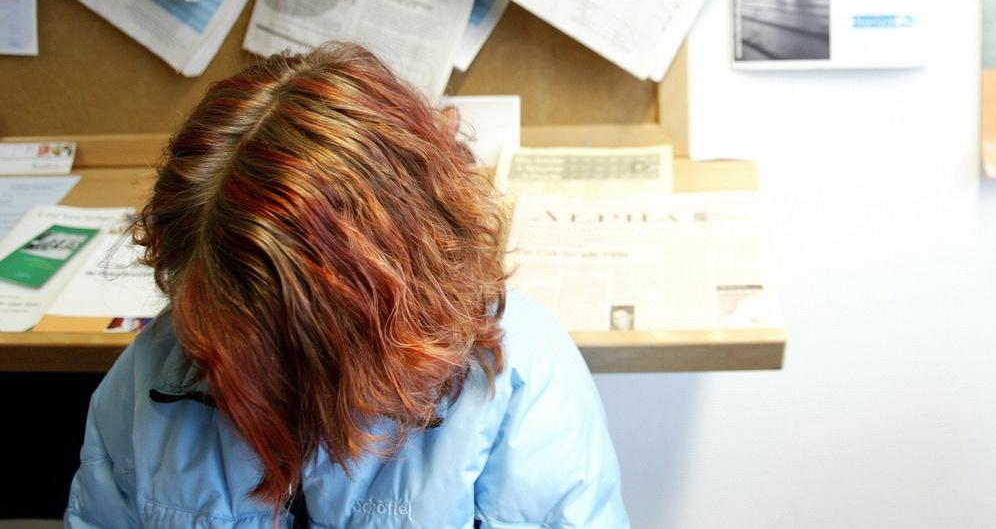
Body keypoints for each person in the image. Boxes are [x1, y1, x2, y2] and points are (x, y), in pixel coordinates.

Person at [65, 44, 628, 527]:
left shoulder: (519, 391)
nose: (247, 392)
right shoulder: (146, 383)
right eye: (215, 343)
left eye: (281, 357)